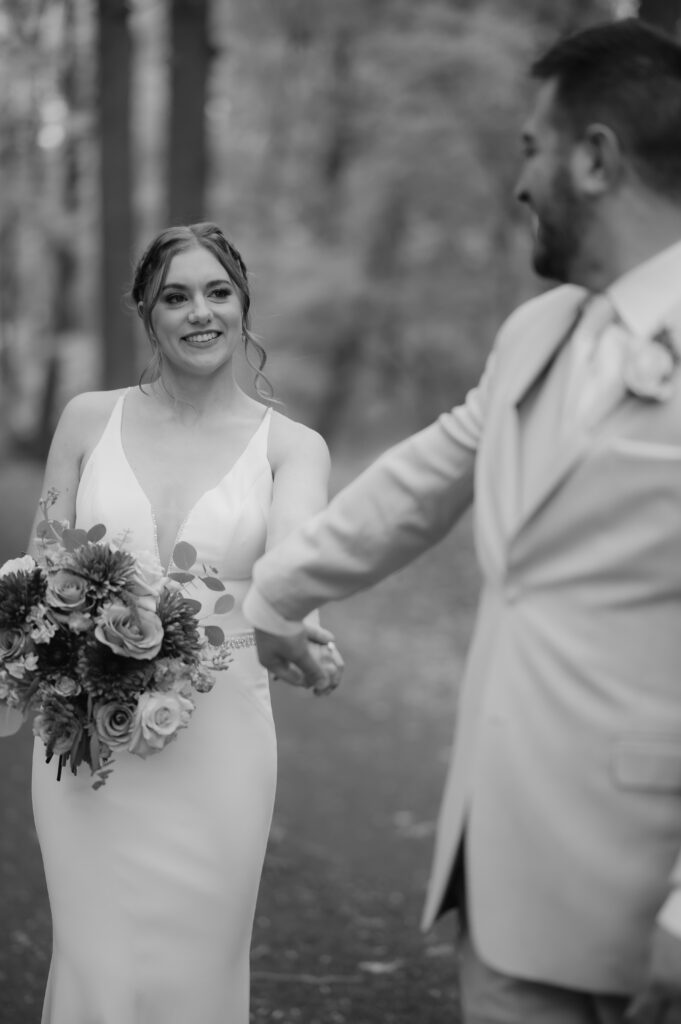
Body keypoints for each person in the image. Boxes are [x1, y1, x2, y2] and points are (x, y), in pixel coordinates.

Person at [243, 19, 681, 1024]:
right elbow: (422, 480)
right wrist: (276, 592)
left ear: (596, 158)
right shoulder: (538, 330)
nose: (519, 184)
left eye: (532, 149)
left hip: (647, 885)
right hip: (505, 878)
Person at [26, 222, 339, 1024]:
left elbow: (294, 562)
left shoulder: (292, 448)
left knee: (198, 964)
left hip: (220, 738)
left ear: (242, 307)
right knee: (96, 959)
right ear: (146, 312)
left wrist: (297, 624)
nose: (200, 312)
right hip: (86, 734)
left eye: (218, 292)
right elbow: (41, 565)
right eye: (175, 296)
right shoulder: (88, 420)